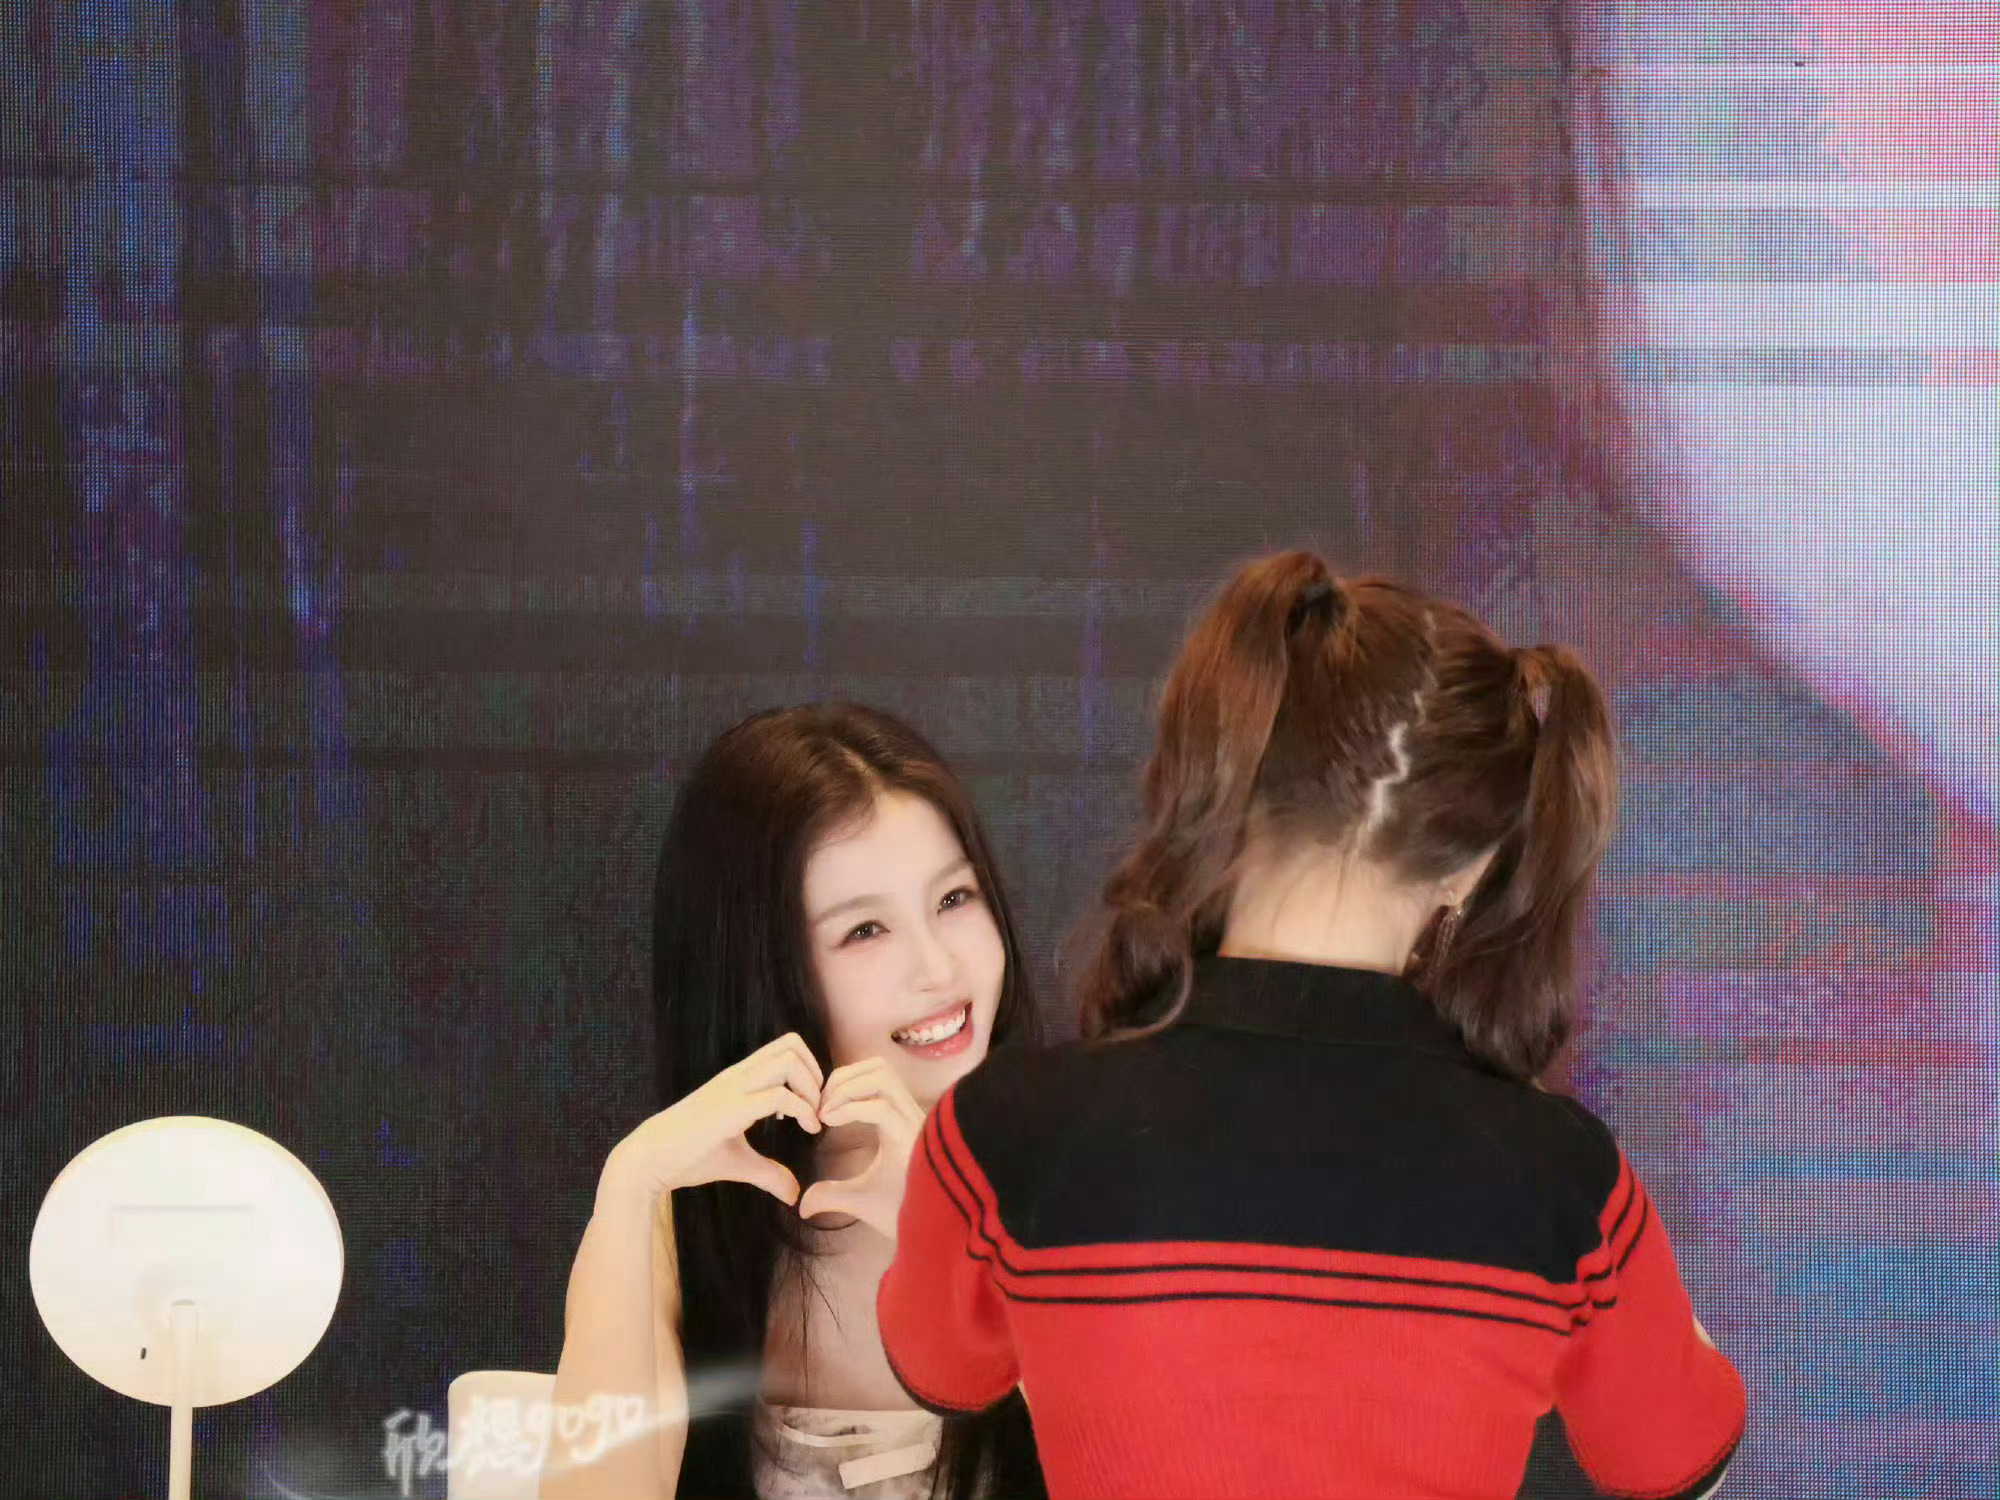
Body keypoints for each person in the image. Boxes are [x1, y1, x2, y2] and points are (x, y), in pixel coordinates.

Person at [876, 550, 1747, 1500]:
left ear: (1230, 784)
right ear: (1473, 864)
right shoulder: (1562, 1178)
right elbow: (1673, 1461)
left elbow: (945, 1373)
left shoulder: (1000, 1127)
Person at [542, 704, 1046, 1499]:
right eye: (865, 930)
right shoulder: (681, 1225)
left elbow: (1144, 1468)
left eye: (954, 899)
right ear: (760, 967)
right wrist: (629, 1185)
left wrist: (958, 1234)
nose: (940, 968)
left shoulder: (1074, 1187)